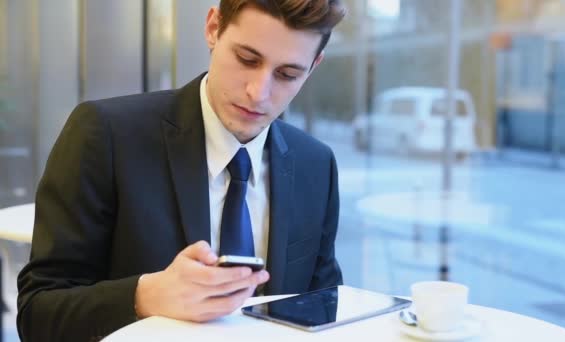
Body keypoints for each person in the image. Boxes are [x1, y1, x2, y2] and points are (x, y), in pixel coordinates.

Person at [17, 1, 346, 341]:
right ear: (213, 28)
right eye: (247, 59)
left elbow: (324, 307)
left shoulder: (316, 165)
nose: (258, 93)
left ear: (314, 66)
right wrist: (145, 296)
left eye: (287, 75)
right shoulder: (106, 136)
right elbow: (37, 314)